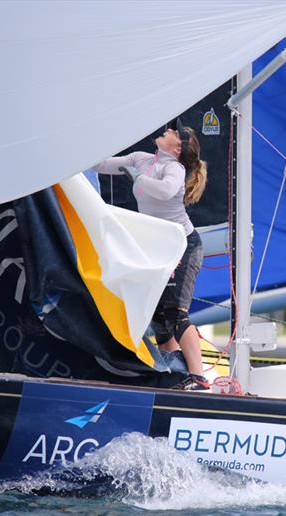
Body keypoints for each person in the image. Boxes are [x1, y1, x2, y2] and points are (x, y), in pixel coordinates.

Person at [94, 122, 209, 390]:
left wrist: (138, 178)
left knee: (176, 313)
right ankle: (172, 371)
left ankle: (199, 377)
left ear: (177, 147)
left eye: (171, 132)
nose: (165, 130)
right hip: (159, 248)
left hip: (184, 246)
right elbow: (100, 165)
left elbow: (166, 190)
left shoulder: (174, 168)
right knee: (158, 317)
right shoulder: (141, 159)